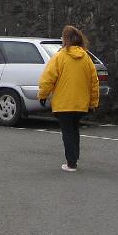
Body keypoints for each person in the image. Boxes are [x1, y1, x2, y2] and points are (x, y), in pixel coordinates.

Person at [37, 25, 100, 172]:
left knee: (67, 132)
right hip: (81, 104)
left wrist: (43, 95)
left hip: (63, 103)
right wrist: (93, 102)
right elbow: (94, 82)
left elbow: (48, 78)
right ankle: (74, 158)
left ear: (66, 39)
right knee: (74, 130)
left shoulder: (59, 57)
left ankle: (71, 163)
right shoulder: (86, 58)